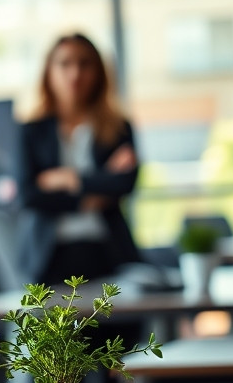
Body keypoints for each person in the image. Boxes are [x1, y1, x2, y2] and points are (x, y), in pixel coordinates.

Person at [16, 33, 141, 286]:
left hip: (108, 253)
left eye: (84, 64)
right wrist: (95, 189)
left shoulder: (118, 127)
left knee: (117, 324)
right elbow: (28, 195)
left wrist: (67, 179)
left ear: (99, 72)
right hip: (48, 258)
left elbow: (124, 185)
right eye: (64, 64)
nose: (75, 74)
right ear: (48, 72)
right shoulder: (31, 130)